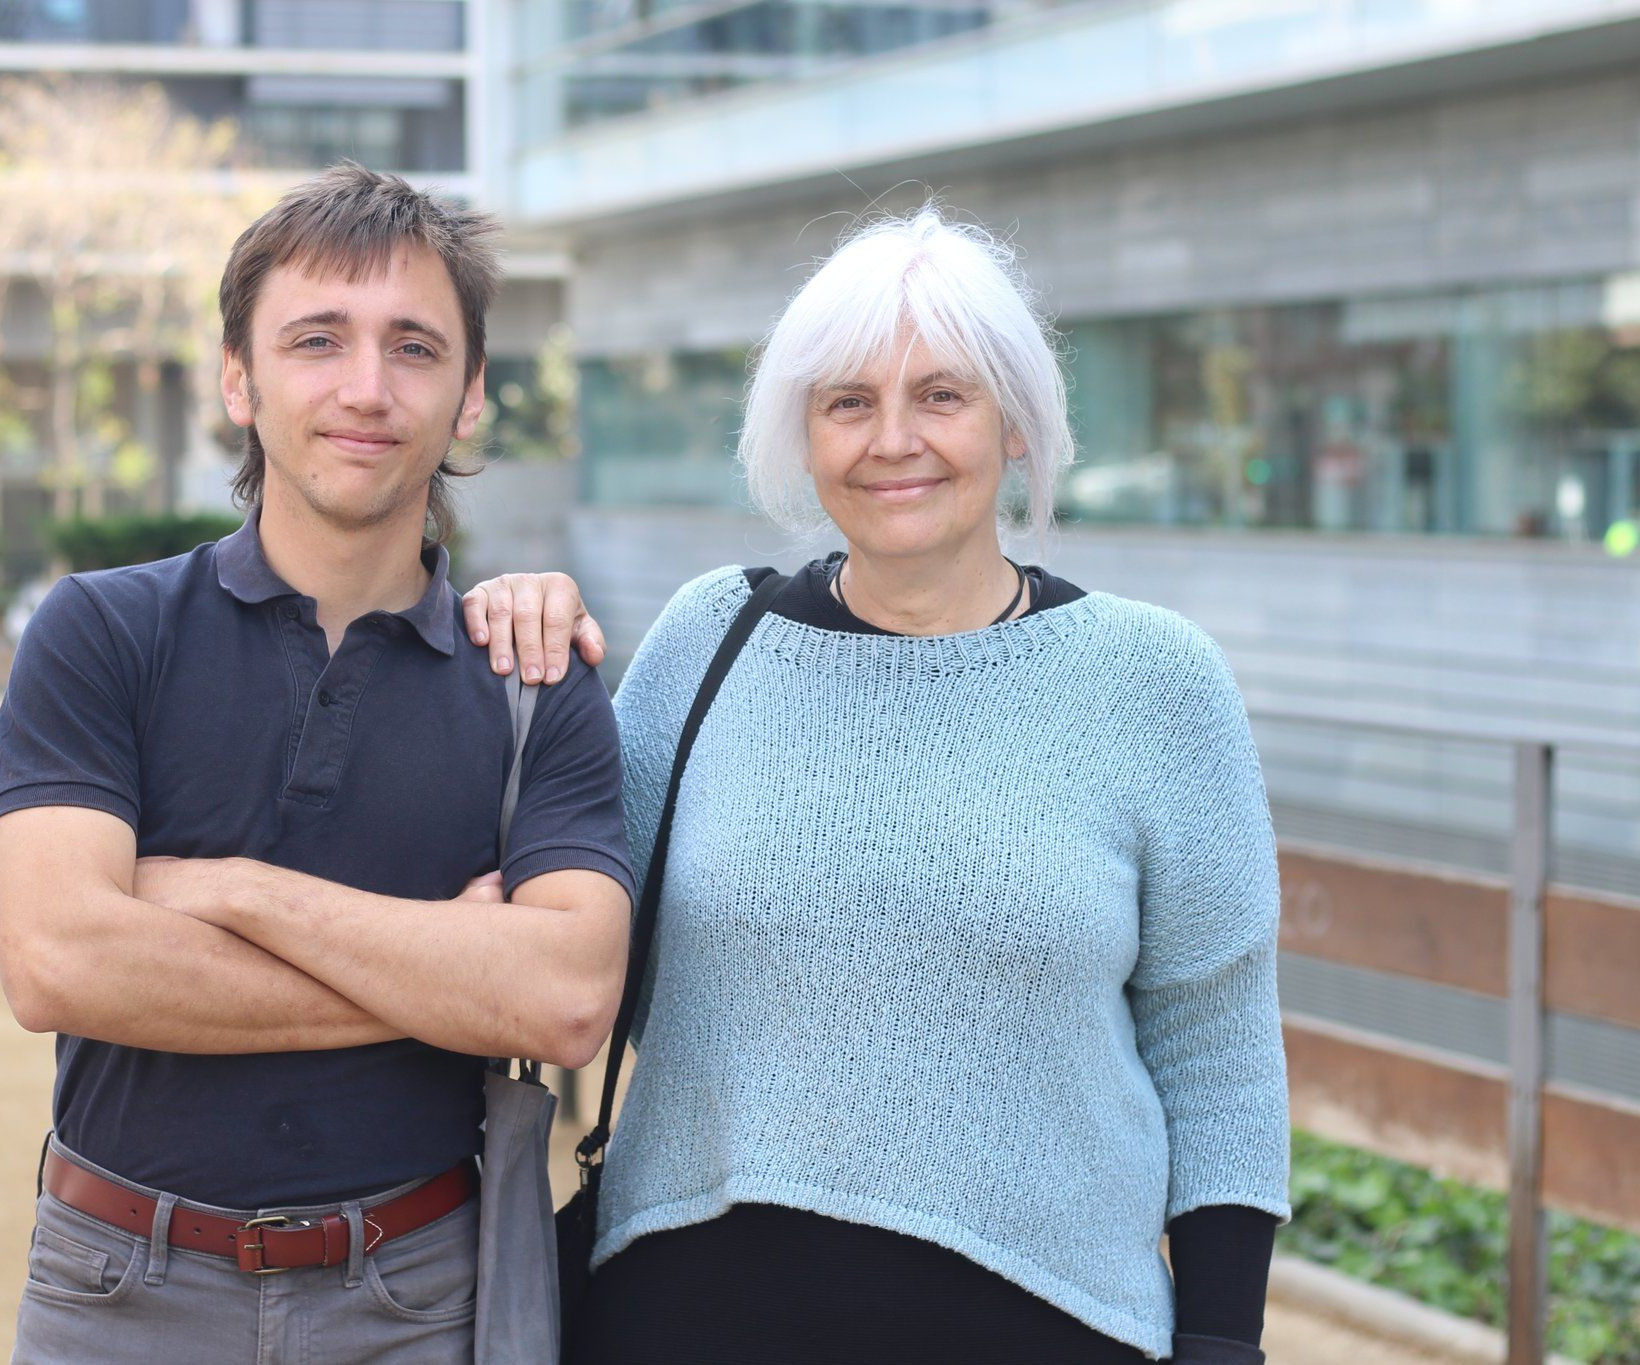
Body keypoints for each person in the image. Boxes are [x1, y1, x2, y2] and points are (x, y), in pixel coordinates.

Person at [464, 209, 1289, 1364]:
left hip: (1050, 1322)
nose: (891, 439)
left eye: (940, 396)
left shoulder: (1152, 681)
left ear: (1013, 425)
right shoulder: (709, 641)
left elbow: (1216, 1051)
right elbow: (571, 943)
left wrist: (1220, 1337)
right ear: (799, 435)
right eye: (847, 402)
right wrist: (510, 624)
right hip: (688, 1316)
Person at [0, 164, 635, 1364]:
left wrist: (227, 891)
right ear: (239, 377)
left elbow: (564, 997)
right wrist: (439, 972)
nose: (365, 389)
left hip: (419, 1299)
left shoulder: (536, 683)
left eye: (414, 348)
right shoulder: (102, 632)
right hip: (115, 1292)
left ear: (471, 394)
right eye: (317, 340)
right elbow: (58, 959)